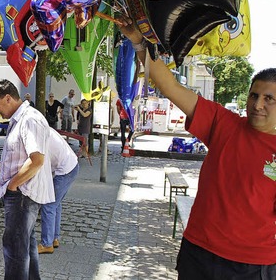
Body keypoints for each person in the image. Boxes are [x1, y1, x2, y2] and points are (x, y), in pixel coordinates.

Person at [118, 17, 276, 279]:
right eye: (254, 95)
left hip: (255, 264)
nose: (258, 104)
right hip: (201, 253)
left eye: (269, 98)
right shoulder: (224, 123)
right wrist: (138, 41)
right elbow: (169, 86)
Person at [0, 79, 55, 280]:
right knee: (25, 245)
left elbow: (36, 160)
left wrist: (13, 185)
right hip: (24, 192)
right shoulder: (24, 118)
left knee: (15, 248)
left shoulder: (29, 119)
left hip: (23, 194)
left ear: (8, 98)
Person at [38, 128, 79, 254]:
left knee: (48, 205)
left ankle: (47, 244)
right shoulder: (44, 129)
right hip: (71, 166)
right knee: (56, 204)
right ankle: (54, 238)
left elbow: (39, 164)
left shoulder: (39, 138)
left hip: (65, 170)